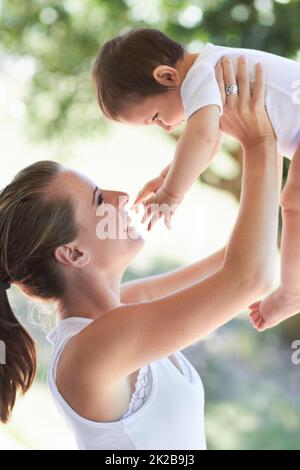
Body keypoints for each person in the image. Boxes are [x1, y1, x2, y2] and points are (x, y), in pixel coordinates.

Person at [0, 57, 279, 449]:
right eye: (99, 200)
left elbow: (241, 257)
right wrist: (260, 142)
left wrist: (202, 141)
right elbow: (251, 278)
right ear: (73, 254)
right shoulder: (91, 351)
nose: (120, 196)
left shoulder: (119, 307)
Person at [93, 28, 300, 331]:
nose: (165, 127)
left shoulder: (203, 73)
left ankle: (292, 292)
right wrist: (166, 176)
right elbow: (209, 139)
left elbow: (201, 137)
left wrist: (170, 195)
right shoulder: (211, 67)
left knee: (294, 203)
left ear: (166, 77)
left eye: (155, 117)